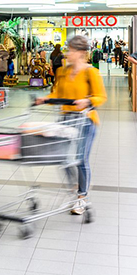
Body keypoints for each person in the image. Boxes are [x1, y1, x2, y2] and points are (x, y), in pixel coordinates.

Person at [36, 35, 107, 215]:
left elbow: (101, 97)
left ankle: (82, 197)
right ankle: (76, 186)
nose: (67, 53)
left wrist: (87, 101)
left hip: (85, 120)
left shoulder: (91, 72)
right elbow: (56, 93)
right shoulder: (63, 71)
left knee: (81, 158)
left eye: (71, 51)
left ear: (81, 53)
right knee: (64, 158)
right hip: (66, 119)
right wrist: (44, 99)